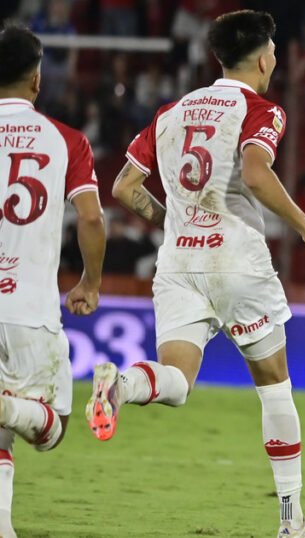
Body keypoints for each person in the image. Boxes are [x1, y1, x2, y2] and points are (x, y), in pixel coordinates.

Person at [86, 11, 305, 538]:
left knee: (176, 383)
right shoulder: (261, 108)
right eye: (273, 50)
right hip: (236, 262)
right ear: (265, 58)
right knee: (275, 389)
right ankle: (291, 523)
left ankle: (121, 385)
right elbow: (255, 172)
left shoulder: (172, 112)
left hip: (178, 264)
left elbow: (125, 186)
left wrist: (171, 220)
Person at [0, 25, 106, 537]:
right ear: (38, 79)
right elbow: (89, 218)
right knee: (51, 426)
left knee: (6, 427)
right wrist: (90, 282)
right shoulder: (66, 140)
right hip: (29, 310)